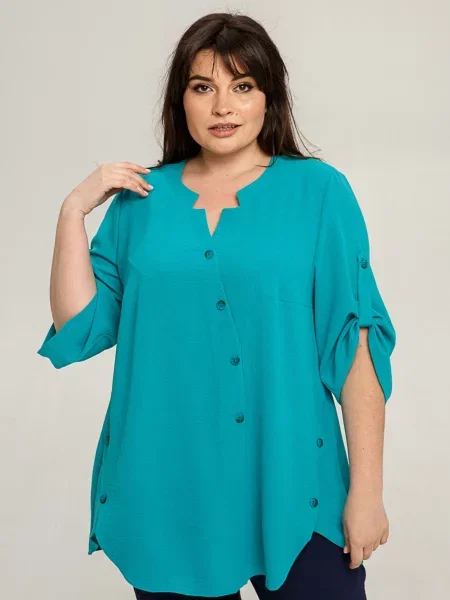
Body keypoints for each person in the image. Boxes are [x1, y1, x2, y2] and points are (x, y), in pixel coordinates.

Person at [37, 11, 396, 600]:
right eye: (203, 87)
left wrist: (367, 491)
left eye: (242, 86)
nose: (223, 106)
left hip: (295, 482)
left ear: (268, 98)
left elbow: (354, 344)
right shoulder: (140, 202)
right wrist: (73, 210)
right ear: (181, 100)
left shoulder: (319, 192)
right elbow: (78, 327)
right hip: (170, 488)